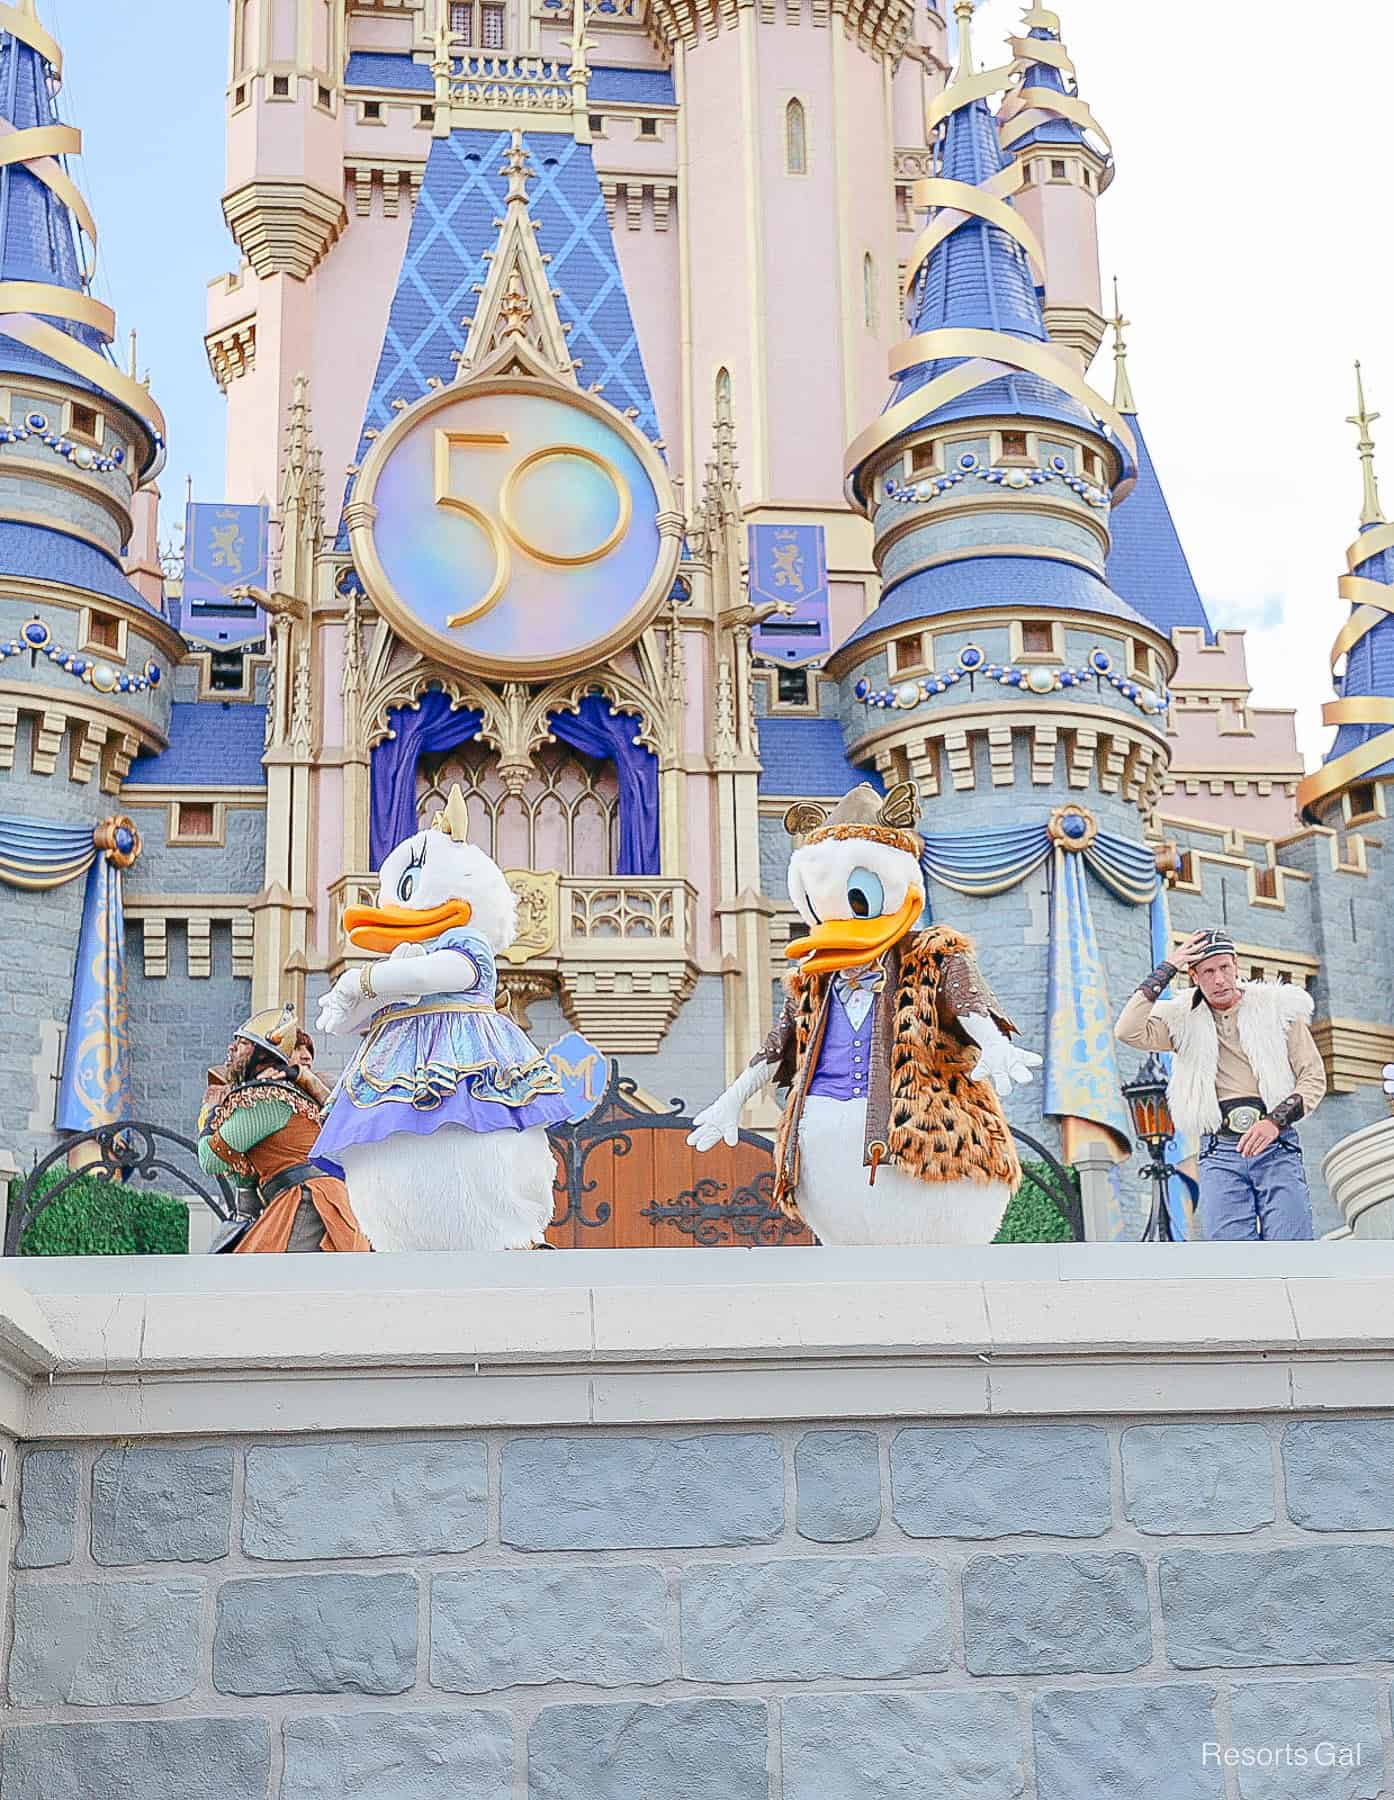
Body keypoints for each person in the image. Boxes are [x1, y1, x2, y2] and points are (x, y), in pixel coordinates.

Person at [1115, 928, 1325, 1241]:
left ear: (1236, 966)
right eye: (1209, 972)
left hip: (1275, 1141)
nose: (1219, 979)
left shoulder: (1277, 1008)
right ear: (1194, 976)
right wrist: (1166, 968)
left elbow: (1313, 1077)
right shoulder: (1180, 1019)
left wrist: (1275, 1121)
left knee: (1292, 1250)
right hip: (1219, 1150)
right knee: (1231, 1260)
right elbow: (1126, 1031)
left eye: (1224, 968)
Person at [198, 1004, 371, 1253]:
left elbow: (210, 1160)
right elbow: (244, 1177)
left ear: (262, 1052)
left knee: (264, 1282)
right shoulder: (282, 1095)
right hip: (309, 1198)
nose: (232, 1047)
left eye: (243, 1043)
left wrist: (211, 1111)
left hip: (308, 1200)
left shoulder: (264, 1097)